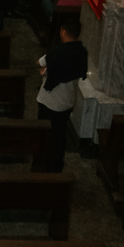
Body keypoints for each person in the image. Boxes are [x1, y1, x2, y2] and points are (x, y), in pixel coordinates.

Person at [36, 15, 87, 172]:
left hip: (50, 101)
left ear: (63, 31)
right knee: (60, 134)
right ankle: (57, 165)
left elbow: (40, 63)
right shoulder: (82, 52)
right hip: (68, 101)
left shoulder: (57, 52)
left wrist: (44, 71)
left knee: (45, 134)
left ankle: (41, 164)